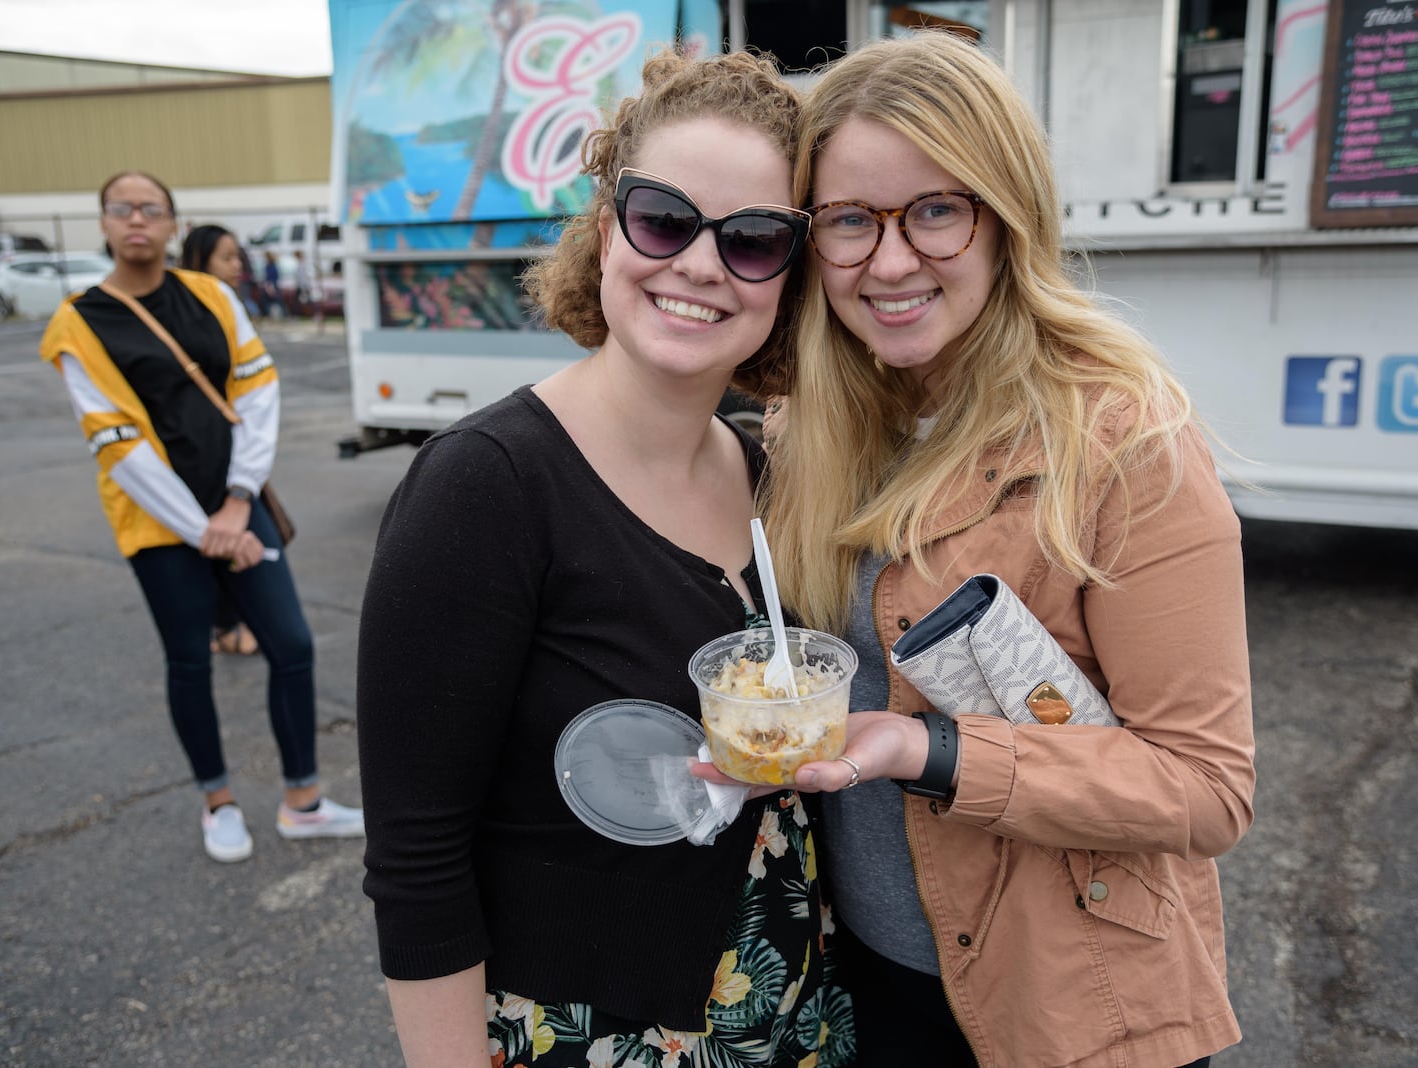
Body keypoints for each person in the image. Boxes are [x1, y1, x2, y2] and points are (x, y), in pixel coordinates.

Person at [737, 33, 1255, 1067]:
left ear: (1006, 213)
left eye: (934, 210)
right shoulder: (812, 428)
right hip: (867, 980)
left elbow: (1203, 788)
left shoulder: (1120, 442)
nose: (888, 261)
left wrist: (925, 751)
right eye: (848, 220)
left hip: (1070, 1007)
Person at [355, 49, 853, 1068]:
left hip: (798, 1016)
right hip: (589, 1035)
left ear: (790, 270)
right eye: (665, 218)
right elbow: (416, 858)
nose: (702, 265)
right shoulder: (486, 485)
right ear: (607, 223)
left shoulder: (768, 476)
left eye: (753, 238)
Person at [39, 172, 364, 863]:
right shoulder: (78, 321)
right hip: (158, 524)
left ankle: (302, 801)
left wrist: (239, 501)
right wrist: (205, 529)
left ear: (171, 223)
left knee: (293, 645)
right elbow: (116, 443)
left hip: (240, 507)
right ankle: (217, 801)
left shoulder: (211, 296)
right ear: (102, 222)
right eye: (121, 209)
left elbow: (256, 385)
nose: (136, 220)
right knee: (189, 660)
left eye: (150, 209)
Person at [181, 224, 260, 657]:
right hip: (208, 457)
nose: (237, 267)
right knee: (225, 546)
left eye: (238, 257)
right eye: (226, 258)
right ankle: (227, 627)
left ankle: (228, 625)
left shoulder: (228, 306)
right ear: (200, 261)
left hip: (241, 454)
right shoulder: (189, 314)